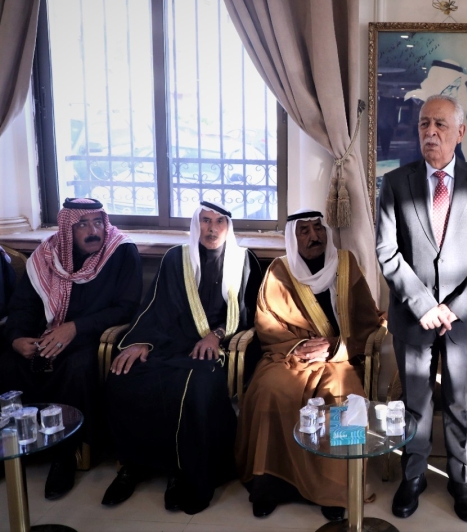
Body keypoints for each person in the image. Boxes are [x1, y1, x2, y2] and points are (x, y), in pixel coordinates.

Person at [376, 94, 467, 522]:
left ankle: (460, 480)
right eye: (424, 124)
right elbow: (387, 252)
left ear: (460, 132)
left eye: (440, 125)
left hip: (465, 318)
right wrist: (423, 305)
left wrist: (454, 308)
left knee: (462, 401)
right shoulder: (396, 183)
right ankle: (413, 477)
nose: (430, 132)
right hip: (413, 315)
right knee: (415, 401)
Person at [102, 200, 261, 514]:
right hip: (167, 342)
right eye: (205, 221)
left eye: (219, 221)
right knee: (124, 376)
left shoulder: (243, 260)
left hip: (214, 350)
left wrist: (216, 335)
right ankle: (133, 466)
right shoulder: (176, 257)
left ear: (228, 226)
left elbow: (249, 316)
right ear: (196, 224)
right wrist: (142, 342)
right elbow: (155, 306)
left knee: (194, 387)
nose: (212, 229)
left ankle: (181, 471)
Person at [234, 209, 383, 521]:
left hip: (339, 355)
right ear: (293, 237)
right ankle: (269, 485)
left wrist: (336, 346)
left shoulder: (346, 263)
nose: (314, 236)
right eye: (304, 231)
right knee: (269, 390)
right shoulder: (279, 270)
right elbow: (267, 323)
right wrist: (299, 347)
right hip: (291, 355)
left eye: (318, 228)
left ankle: (336, 489)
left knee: (342, 398)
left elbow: (367, 319)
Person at [0, 198, 142, 499]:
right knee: (8, 363)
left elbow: (126, 308)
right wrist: (16, 338)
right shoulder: (47, 254)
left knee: (77, 368)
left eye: (98, 222)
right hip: (44, 337)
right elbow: (23, 306)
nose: (94, 231)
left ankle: (65, 454)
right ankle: (12, 449)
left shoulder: (120, 251)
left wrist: (75, 328)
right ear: (67, 229)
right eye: (83, 224)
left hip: (90, 338)